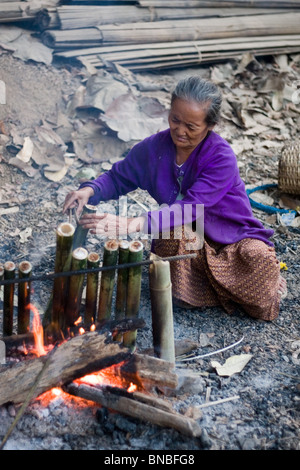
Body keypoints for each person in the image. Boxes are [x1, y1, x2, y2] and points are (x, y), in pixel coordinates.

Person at [63, 76, 287, 321]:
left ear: (210, 125)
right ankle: (212, 290)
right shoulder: (155, 148)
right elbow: (120, 176)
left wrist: (131, 224)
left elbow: (191, 208)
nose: (180, 131)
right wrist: (90, 190)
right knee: (170, 234)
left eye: (191, 127)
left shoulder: (221, 157)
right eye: (175, 120)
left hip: (233, 240)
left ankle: (210, 288)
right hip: (191, 239)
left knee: (257, 261)